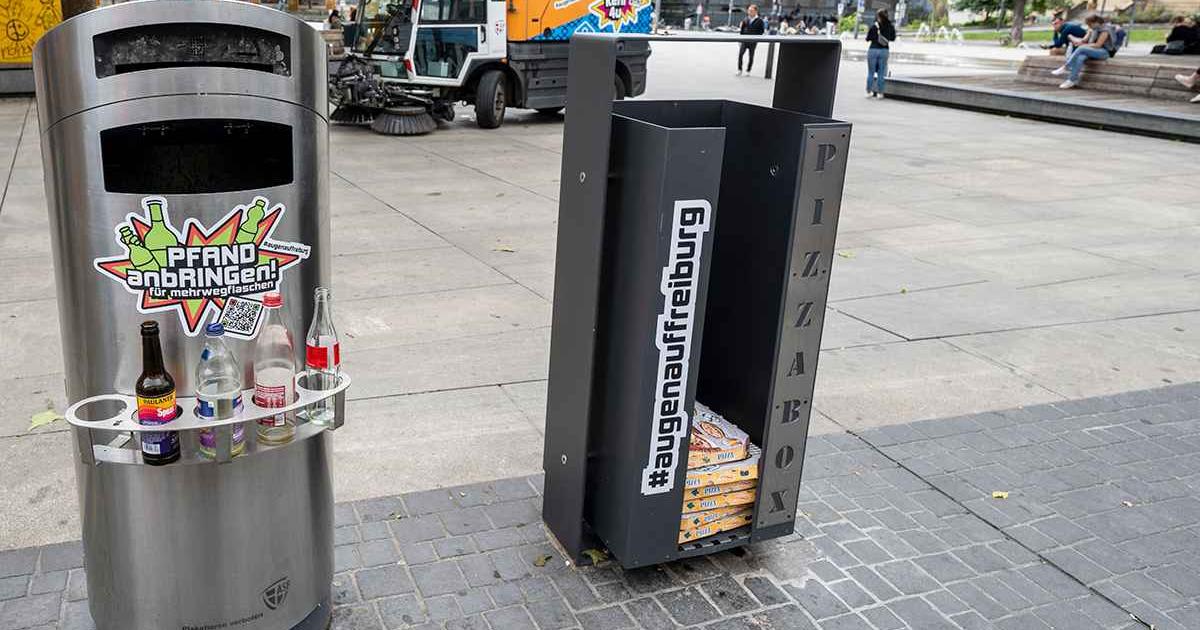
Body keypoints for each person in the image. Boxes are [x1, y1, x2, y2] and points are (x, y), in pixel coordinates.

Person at [1051, 13, 1116, 89]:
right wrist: (1075, 40)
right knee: (1080, 58)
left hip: (1104, 52)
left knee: (1082, 49)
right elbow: (1084, 40)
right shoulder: (1092, 29)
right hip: (1092, 50)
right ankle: (1071, 81)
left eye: (1089, 24)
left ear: (1095, 22)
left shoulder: (1105, 30)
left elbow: (1098, 45)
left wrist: (1083, 46)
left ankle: (1066, 67)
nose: (1089, 26)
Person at [865, 9, 896, 98]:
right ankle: (880, 93)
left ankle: (869, 91)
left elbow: (867, 38)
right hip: (884, 51)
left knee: (871, 72)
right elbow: (893, 38)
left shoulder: (874, 26)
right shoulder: (890, 26)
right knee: (881, 73)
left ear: (878, 16)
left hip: (873, 50)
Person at [737, 5, 766, 76]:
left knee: (751, 56)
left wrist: (756, 38)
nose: (749, 12)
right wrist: (740, 40)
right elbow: (742, 30)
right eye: (749, 11)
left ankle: (748, 70)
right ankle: (739, 69)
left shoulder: (759, 21)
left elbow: (761, 31)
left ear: (756, 11)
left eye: (751, 11)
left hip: (753, 41)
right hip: (744, 40)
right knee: (740, 54)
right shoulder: (746, 19)